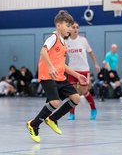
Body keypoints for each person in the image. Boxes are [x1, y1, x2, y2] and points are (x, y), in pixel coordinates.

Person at [26, 10, 87, 143]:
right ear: (59, 25)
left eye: (71, 26)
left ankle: (53, 119)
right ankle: (33, 124)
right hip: (48, 75)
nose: (70, 29)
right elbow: (43, 52)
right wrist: (50, 67)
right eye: (68, 26)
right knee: (55, 102)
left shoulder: (64, 43)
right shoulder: (53, 38)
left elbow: (62, 64)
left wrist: (77, 75)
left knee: (76, 98)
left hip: (60, 76)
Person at [65, 22, 100, 120]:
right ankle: (72, 113)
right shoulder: (66, 42)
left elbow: (90, 52)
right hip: (72, 70)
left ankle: (93, 109)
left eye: (77, 27)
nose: (76, 29)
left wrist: (96, 63)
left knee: (84, 91)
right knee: (72, 93)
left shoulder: (83, 40)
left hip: (84, 70)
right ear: (70, 29)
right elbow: (63, 56)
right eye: (73, 27)